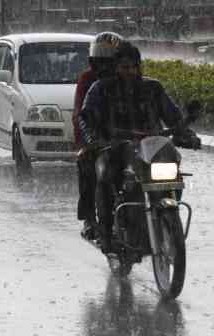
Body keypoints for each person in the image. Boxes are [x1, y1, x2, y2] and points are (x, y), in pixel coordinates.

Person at [79, 41, 201, 253]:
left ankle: (167, 223)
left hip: (151, 149)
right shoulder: (101, 89)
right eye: (124, 67)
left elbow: (173, 117)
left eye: (133, 66)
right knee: (105, 174)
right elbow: (86, 118)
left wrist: (186, 134)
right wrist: (94, 140)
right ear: (116, 67)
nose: (129, 71)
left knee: (172, 171)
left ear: (139, 66)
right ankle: (106, 232)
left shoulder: (153, 88)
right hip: (116, 148)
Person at [73, 32, 123, 240]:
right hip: (98, 137)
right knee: (87, 167)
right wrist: (90, 140)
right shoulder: (88, 80)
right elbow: (80, 114)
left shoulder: (135, 79)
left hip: (128, 137)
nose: (104, 65)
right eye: (100, 59)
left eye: (109, 60)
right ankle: (89, 219)